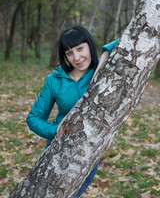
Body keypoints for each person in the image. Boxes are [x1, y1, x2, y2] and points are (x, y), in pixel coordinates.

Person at [26, 26, 118, 198]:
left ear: (90, 45)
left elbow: (137, 36)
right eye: (69, 53)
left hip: (90, 151)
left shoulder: (103, 71)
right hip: (58, 147)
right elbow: (33, 118)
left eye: (80, 49)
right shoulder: (55, 80)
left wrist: (105, 52)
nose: (76, 58)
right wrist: (54, 130)